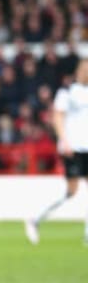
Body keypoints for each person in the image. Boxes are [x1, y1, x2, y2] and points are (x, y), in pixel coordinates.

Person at [24, 59, 88, 245]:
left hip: (87, 147)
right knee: (71, 191)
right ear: (78, 71)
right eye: (84, 69)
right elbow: (58, 117)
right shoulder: (67, 92)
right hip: (73, 148)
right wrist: (64, 141)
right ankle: (35, 219)